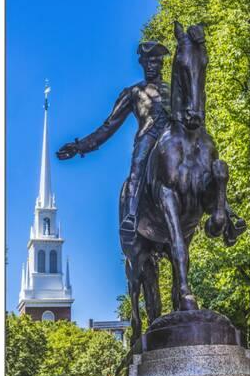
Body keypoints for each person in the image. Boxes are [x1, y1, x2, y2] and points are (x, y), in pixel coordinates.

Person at [56, 41, 171, 244]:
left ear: (162, 64)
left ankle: (224, 210)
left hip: (173, 139)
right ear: (142, 64)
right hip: (149, 137)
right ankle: (131, 216)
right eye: (148, 61)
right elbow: (108, 126)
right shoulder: (132, 93)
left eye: (156, 61)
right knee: (137, 166)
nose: (152, 65)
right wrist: (79, 146)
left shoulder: (174, 90)